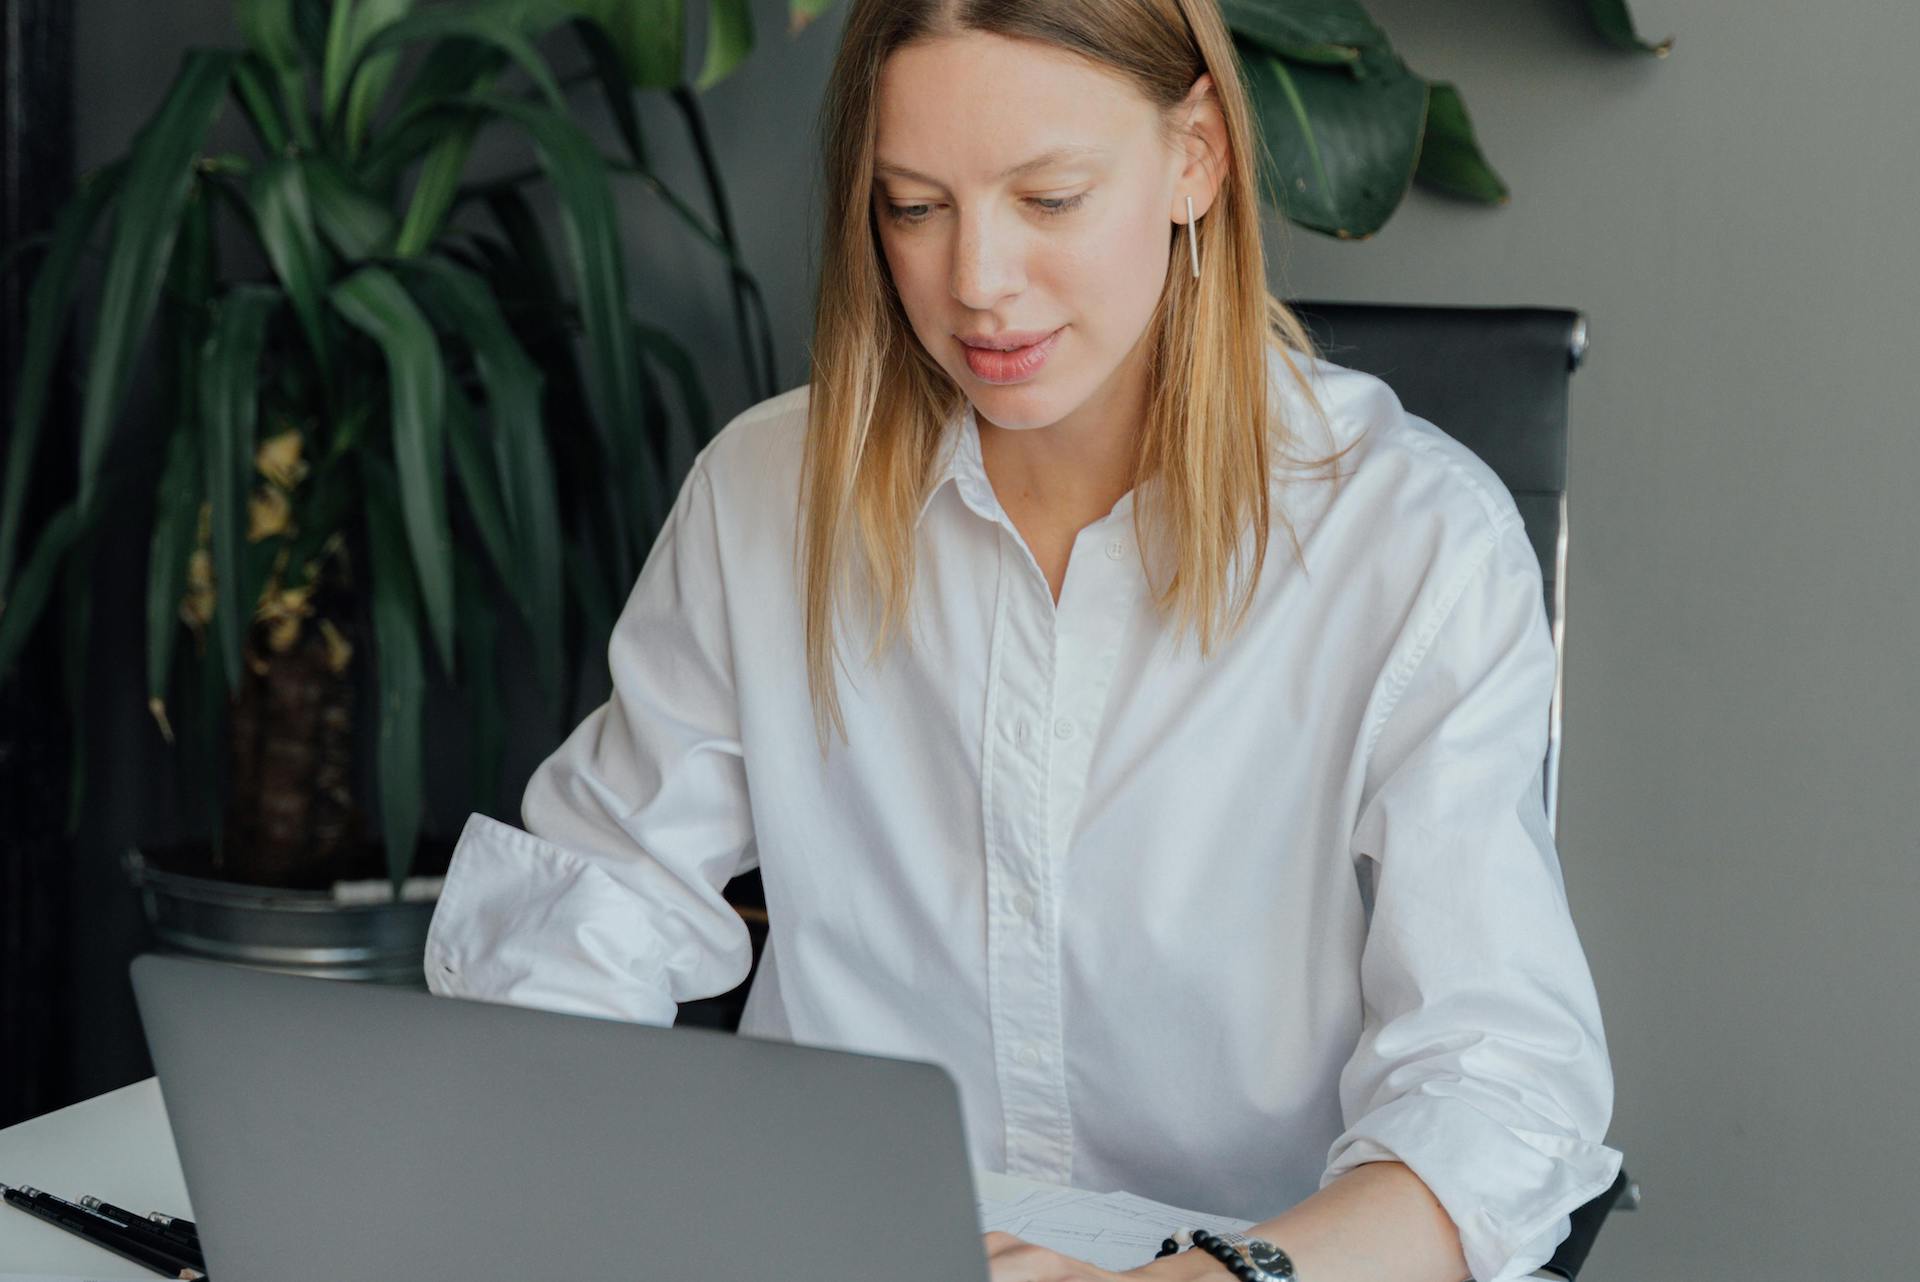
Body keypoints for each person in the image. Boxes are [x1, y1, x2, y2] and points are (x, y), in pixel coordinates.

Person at [423, 0, 1623, 1278]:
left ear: (1195, 157)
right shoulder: (767, 493)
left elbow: (1500, 1086)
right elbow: (590, 917)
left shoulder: (1413, 545)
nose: (976, 284)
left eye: (1048, 199)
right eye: (913, 205)